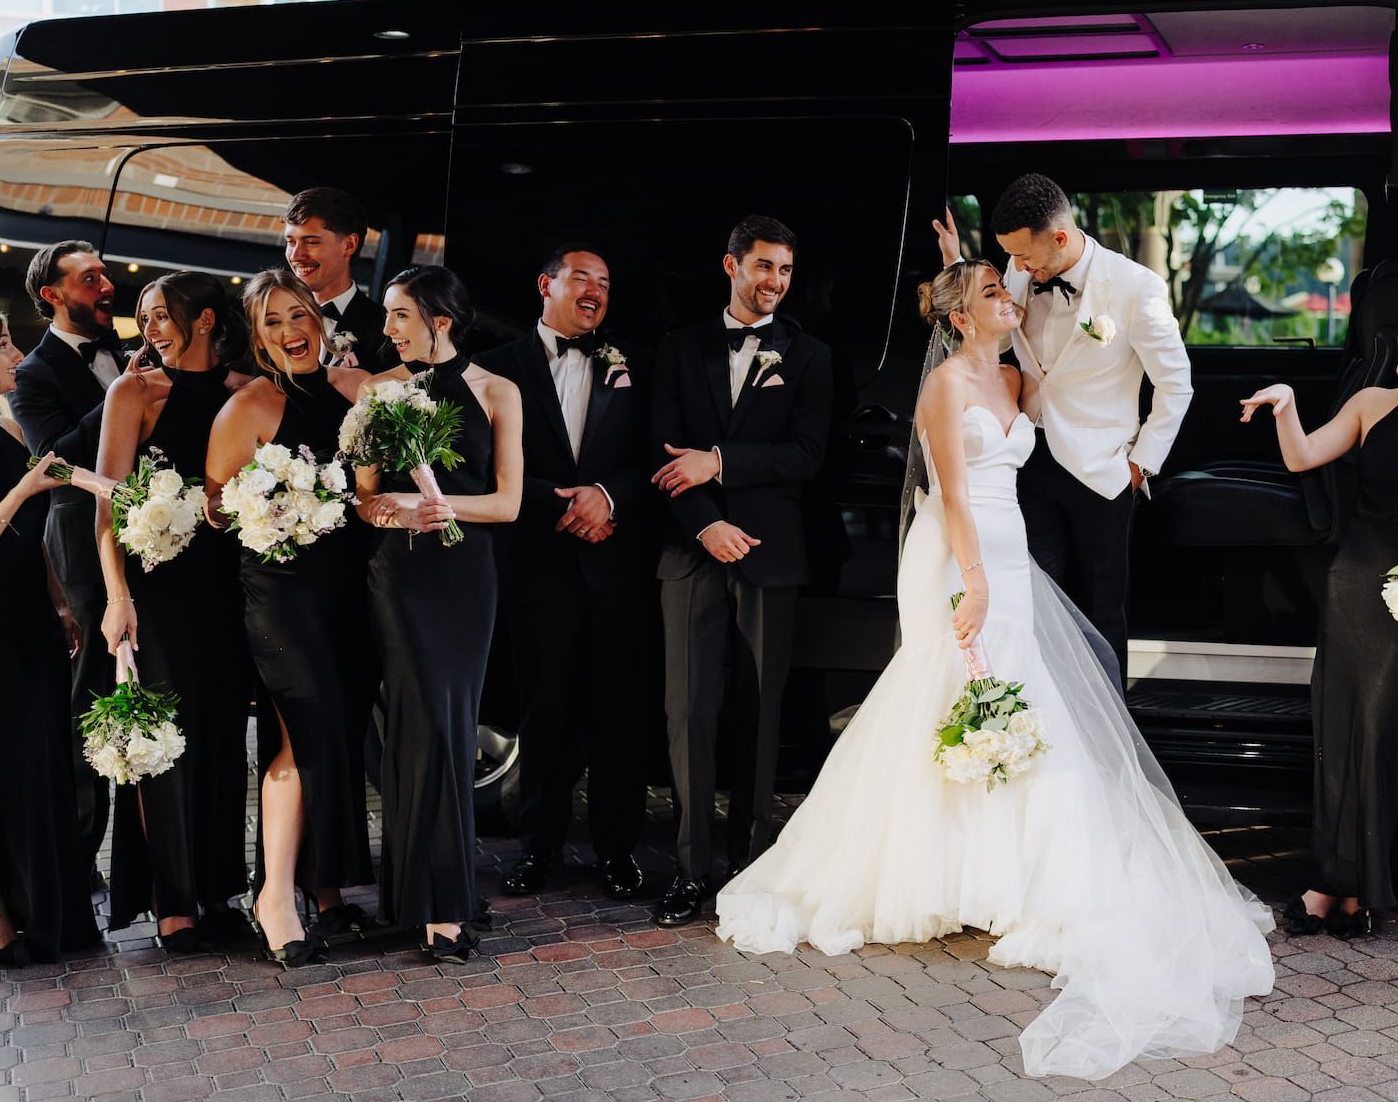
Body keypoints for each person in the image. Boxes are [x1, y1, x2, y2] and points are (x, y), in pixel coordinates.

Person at [716, 258, 1273, 1081]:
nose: (1010, 299)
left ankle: (1004, 875)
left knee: (1018, 697)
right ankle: (931, 868)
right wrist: (971, 583)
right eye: (992, 293)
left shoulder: (1016, 376)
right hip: (955, 553)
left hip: (1012, 557)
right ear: (959, 316)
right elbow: (950, 494)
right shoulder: (943, 387)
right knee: (950, 689)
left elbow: (1078, 395)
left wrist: (1129, 453)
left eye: (1008, 289)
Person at [1240, 298, 1398, 937]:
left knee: (1380, 733)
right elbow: (1301, 458)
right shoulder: (1371, 403)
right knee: (1337, 727)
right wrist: (1287, 402)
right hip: (1354, 577)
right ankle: (1329, 884)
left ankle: (1362, 888)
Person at [933, 176, 1192, 684]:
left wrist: (1139, 464)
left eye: (1026, 259)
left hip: (1103, 472)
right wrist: (954, 269)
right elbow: (994, 337)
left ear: (1059, 237)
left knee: (1101, 608)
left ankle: (1107, 733)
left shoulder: (1137, 288)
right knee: (1033, 601)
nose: (1020, 271)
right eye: (1013, 259)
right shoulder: (1020, 266)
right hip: (1027, 464)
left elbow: (1176, 385)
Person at [649, 215, 831, 927]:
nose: (775, 283)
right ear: (730, 266)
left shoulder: (810, 356)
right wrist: (705, 522)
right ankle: (691, 871)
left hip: (771, 554)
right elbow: (658, 449)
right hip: (691, 549)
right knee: (687, 711)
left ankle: (753, 864)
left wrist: (720, 460)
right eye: (763, 267)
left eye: (785, 270)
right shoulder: (677, 349)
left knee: (762, 711)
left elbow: (809, 455)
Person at [204, 269, 376, 967]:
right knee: (301, 735)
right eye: (271, 323)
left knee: (337, 735)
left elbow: (372, 485)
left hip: (353, 592)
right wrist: (269, 511)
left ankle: (325, 889)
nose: (288, 332)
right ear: (257, 336)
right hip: (279, 592)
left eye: (297, 316)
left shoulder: (356, 392)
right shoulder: (248, 405)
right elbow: (215, 506)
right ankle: (273, 896)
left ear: (319, 319)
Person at [356, 265, 522, 963]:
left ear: (440, 321)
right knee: (416, 726)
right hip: (400, 576)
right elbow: (362, 496)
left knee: (453, 730)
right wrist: (392, 512)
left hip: (465, 577)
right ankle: (432, 905)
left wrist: (445, 507)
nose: (387, 328)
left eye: (399, 315)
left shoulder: (498, 392)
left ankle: (439, 894)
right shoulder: (376, 392)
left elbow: (509, 502)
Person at [479, 247, 656, 902]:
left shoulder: (635, 364)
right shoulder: (496, 368)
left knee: (620, 715)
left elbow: (653, 455)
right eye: (581, 278)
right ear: (545, 283)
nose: (595, 291)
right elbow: (482, 465)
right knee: (542, 713)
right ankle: (536, 850)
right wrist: (559, 500)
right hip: (538, 565)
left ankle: (617, 853)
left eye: (605, 283)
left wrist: (608, 497)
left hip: (617, 566)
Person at [94, 272, 254, 951]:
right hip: (156, 593)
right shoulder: (132, 392)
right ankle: (173, 902)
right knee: (163, 744)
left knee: (221, 740)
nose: (149, 329)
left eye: (162, 315)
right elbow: (106, 503)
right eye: (142, 317)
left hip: (229, 590)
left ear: (208, 319)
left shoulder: (246, 393)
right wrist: (116, 596)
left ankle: (219, 890)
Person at [10, 241, 125, 868]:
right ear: (52, 295)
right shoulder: (34, 374)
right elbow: (53, 460)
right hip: (82, 546)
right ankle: (78, 858)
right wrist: (122, 397)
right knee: (93, 695)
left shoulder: (130, 353)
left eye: (104, 274)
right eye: (89, 279)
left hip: (158, 537)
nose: (105, 285)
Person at [0, 307, 99, 966]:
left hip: (28, 618)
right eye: (3, 341)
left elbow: (42, 519)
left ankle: (50, 915)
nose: (13, 351)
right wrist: (23, 489)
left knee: (38, 769)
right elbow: (15, 508)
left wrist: (62, 603)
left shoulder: (4, 426)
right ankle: (1, 926)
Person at [284, 187, 397, 372]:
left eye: (312, 242)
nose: (296, 255)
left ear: (349, 245)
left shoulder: (385, 331)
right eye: (290, 241)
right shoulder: (269, 318)